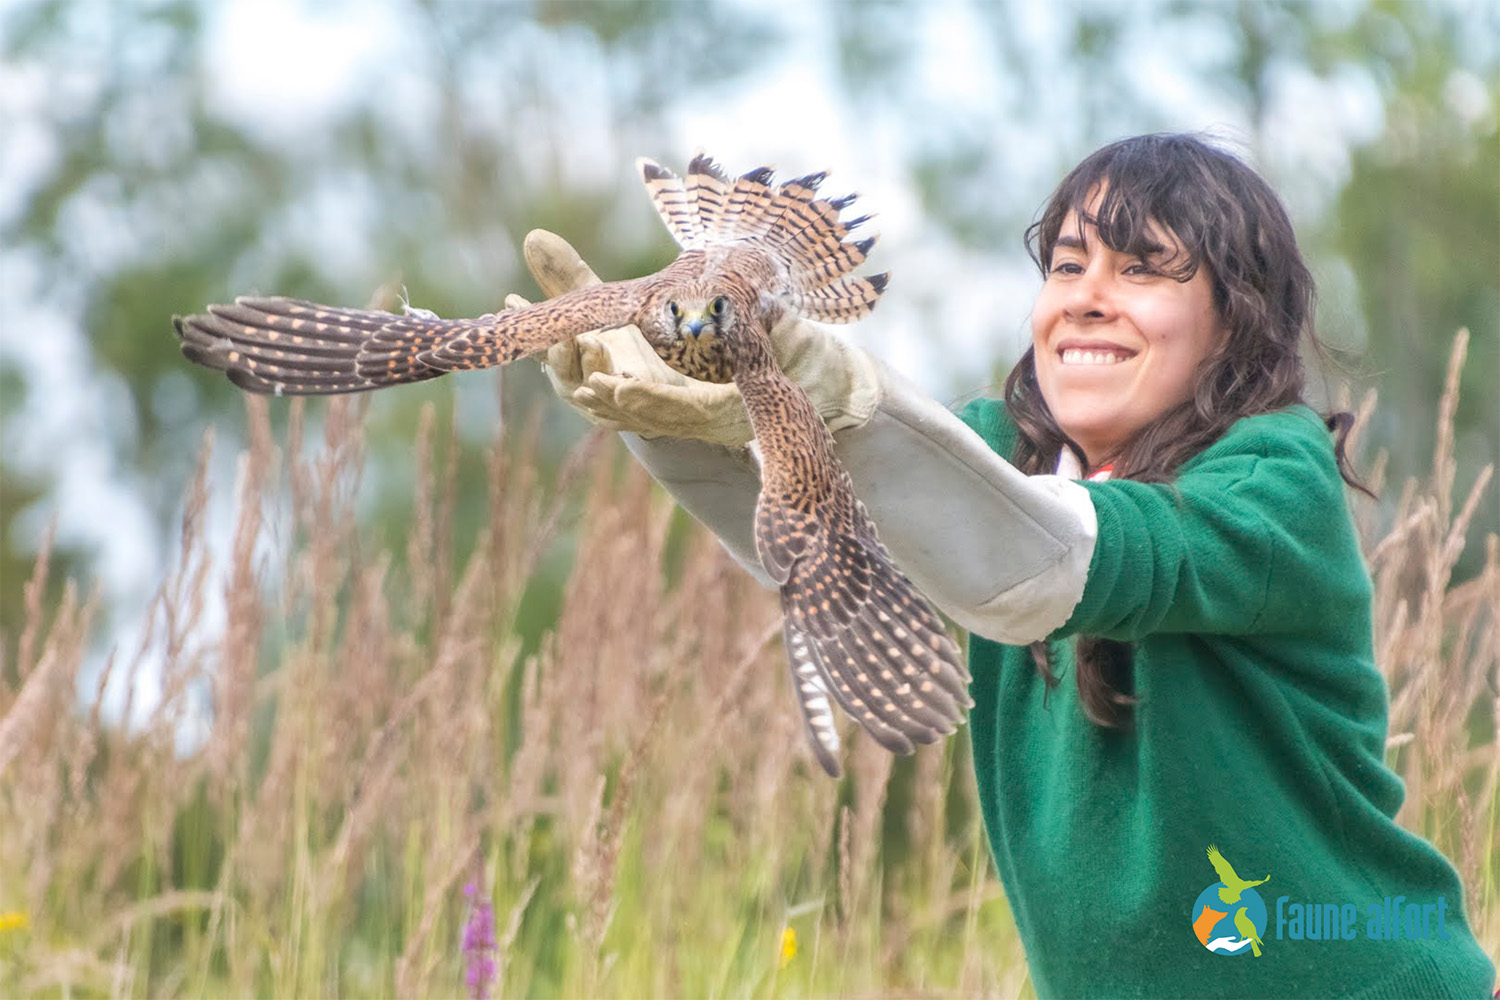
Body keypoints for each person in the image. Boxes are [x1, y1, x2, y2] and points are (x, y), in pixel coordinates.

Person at [513, 133, 1495, 998]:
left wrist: (845, 399)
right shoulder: (1000, 457)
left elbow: (1040, 558)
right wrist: (678, 419)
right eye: (1067, 267)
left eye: (1145, 269)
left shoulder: (1273, 480)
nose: (1088, 301)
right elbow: (819, 532)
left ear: (1234, 318)